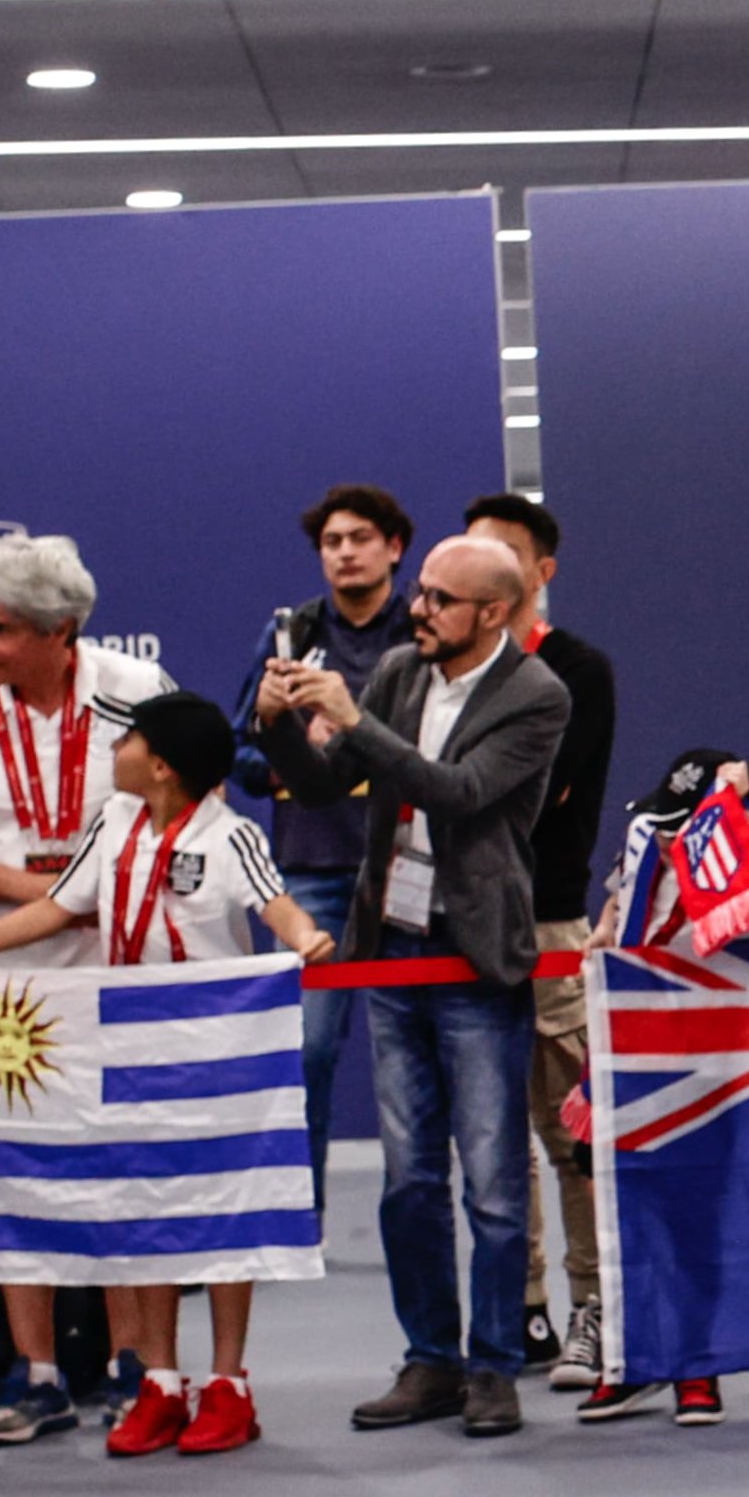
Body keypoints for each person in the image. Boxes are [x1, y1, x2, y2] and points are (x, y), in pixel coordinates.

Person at [0, 692, 334, 1456]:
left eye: (128, 740)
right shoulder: (113, 826)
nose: (115, 748)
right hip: (132, 1054)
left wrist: (306, 937)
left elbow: (278, 905)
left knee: (225, 1212)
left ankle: (228, 1383)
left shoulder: (230, 837)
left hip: (216, 1054)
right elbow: (58, 908)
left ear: (160, 765)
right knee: (146, 1213)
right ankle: (160, 1381)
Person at [261, 534, 572, 1439]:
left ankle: (494, 1366)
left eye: (439, 598)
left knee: (493, 1183)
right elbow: (323, 785)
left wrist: (355, 720)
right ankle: (429, 1359)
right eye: (423, 594)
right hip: (392, 947)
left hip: (475, 958)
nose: (419, 608)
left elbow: (460, 791)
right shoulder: (401, 670)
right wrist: (279, 717)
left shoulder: (536, 695)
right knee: (406, 1180)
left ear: (495, 613)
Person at [0, 530, 172, 1447]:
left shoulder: (138, 692)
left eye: (1, 627)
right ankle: (39, 1372)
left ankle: (140, 1366)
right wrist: (50, 899)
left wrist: (90, 902)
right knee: (13, 1177)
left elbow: (184, 815)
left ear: (63, 631)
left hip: (119, 974)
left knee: (126, 1173)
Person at [455, 494, 621, 1392]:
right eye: (473, 558)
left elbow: (523, 798)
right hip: (460, 932)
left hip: (548, 923)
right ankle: (518, 1311)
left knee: (573, 1133)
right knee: (491, 1142)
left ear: (540, 573)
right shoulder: (441, 674)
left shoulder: (577, 671)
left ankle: (597, 1304)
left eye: (507, 560)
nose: (488, 577)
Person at [242, 485, 423, 1208]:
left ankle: (414, 1211)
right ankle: (298, 1214)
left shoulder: (424, 626)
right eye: (331, 542)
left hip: (408, 866)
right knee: (307, 1050)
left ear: (394, 548)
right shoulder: (291, 633)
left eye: (359, 538)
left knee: (406, 1057)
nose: (344, 552)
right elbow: (242, 750)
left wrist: (356, 740)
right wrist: (295, 749)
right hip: (311, 869)